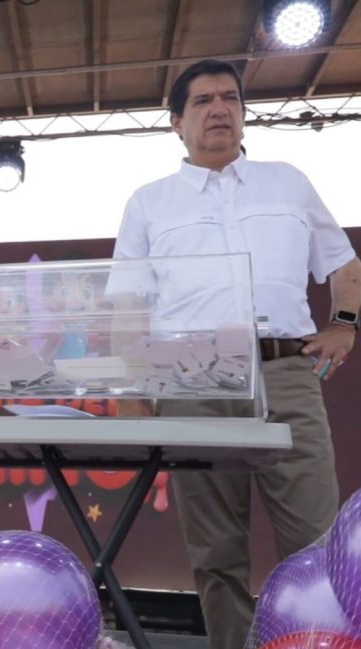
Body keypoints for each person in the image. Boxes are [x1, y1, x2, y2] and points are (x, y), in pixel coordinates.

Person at [113, 59, 361, 648]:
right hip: (192, 382)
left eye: (229, 98)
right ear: (176, 123)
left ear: (244, 113)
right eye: (202, 101)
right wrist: (133, 389)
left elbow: (343, 263)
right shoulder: (149, 203)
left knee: (316, 540)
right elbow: (127, 305)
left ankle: (320, 643)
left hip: (285, 373)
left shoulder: (288, 182)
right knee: (216, 548)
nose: (219, 109)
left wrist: (345, 324)